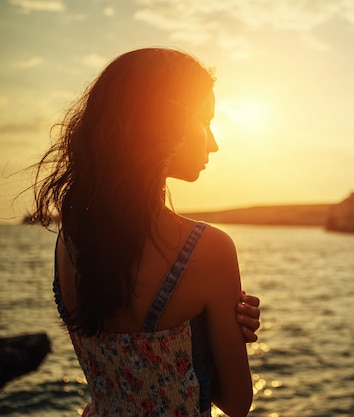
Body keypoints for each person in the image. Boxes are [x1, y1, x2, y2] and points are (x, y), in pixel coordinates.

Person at [31, 48, 258, 417]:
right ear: (165, 122)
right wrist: (221, 341)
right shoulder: (208, 249)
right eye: (205, 121)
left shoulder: (70, 240)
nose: (213, 143)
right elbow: (235, 403)